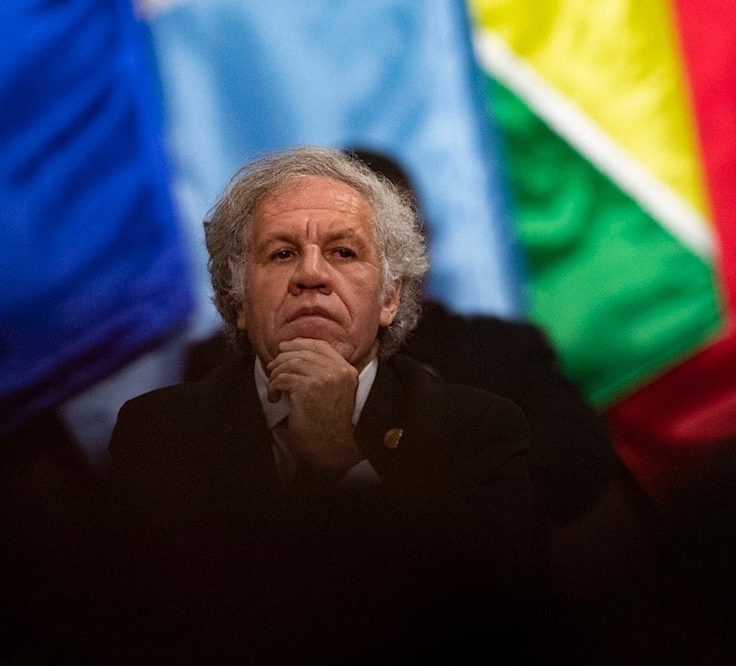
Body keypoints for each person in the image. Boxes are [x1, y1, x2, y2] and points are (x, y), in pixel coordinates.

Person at [105, 146, 543, 662]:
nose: (310, 275)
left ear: (389, 299)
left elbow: (492, 621)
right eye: (282, 253)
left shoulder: (476, 429)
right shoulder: (158, 431)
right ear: (239, 300)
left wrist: (343, 459)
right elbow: (144, 628)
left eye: (343, 252)